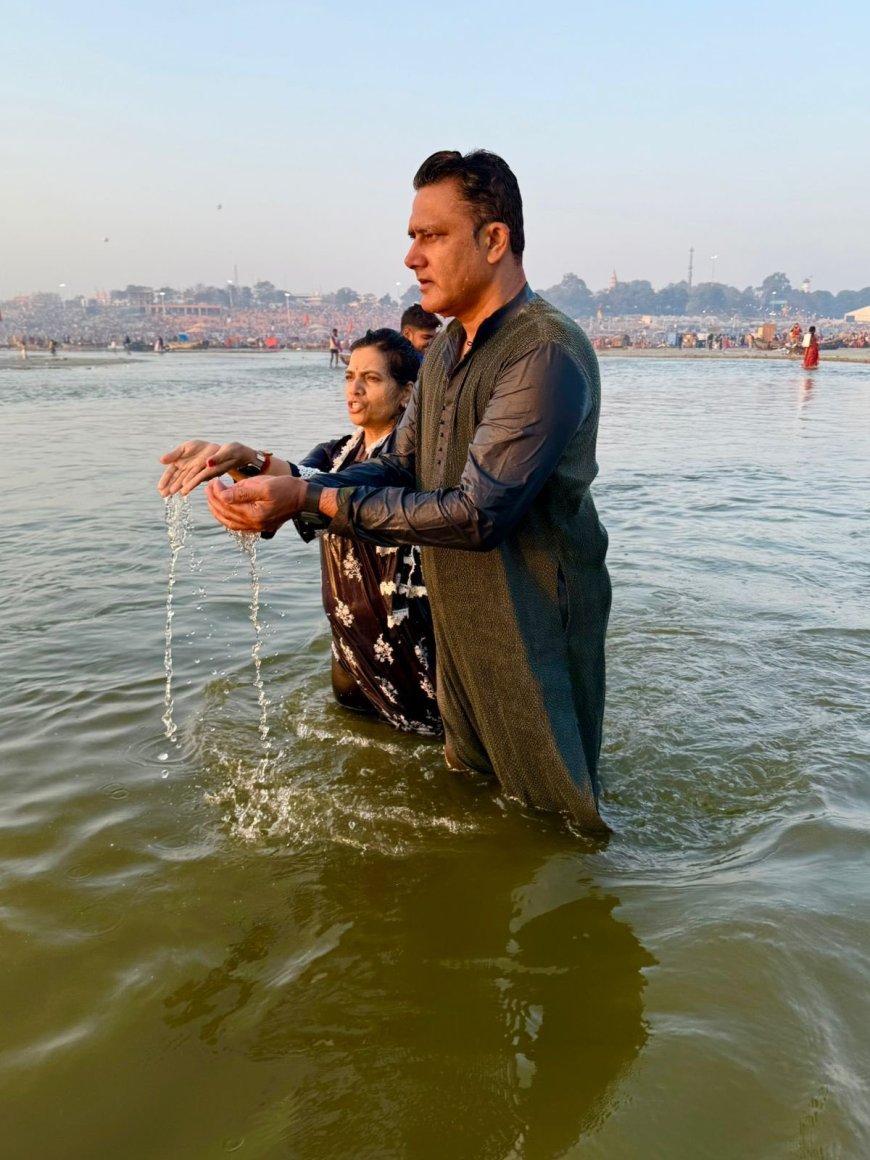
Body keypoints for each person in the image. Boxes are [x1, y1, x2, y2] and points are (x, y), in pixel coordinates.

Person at [202, 149, 611, 833]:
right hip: (461, 626)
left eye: (431, 235)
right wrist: (282, 481)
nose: (411, 256)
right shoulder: (448, 350)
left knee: (560, 823)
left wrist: (310, 502)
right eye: (412, 236)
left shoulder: (543, 353)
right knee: (476, 808)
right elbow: (397, 466)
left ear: (494, 239)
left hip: (535, 630)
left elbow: (478, 514)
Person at [157, 329, 440, 736]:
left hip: (408, 644)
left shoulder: (418, 460)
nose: (355, 389)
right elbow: (299, 479)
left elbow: (325, 485)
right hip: (349, 647)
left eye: (372, 379)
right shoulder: (336, 451)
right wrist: (236, 465)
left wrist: (262, 468)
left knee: (426, 748)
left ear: (407, 394)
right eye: (349, 376)